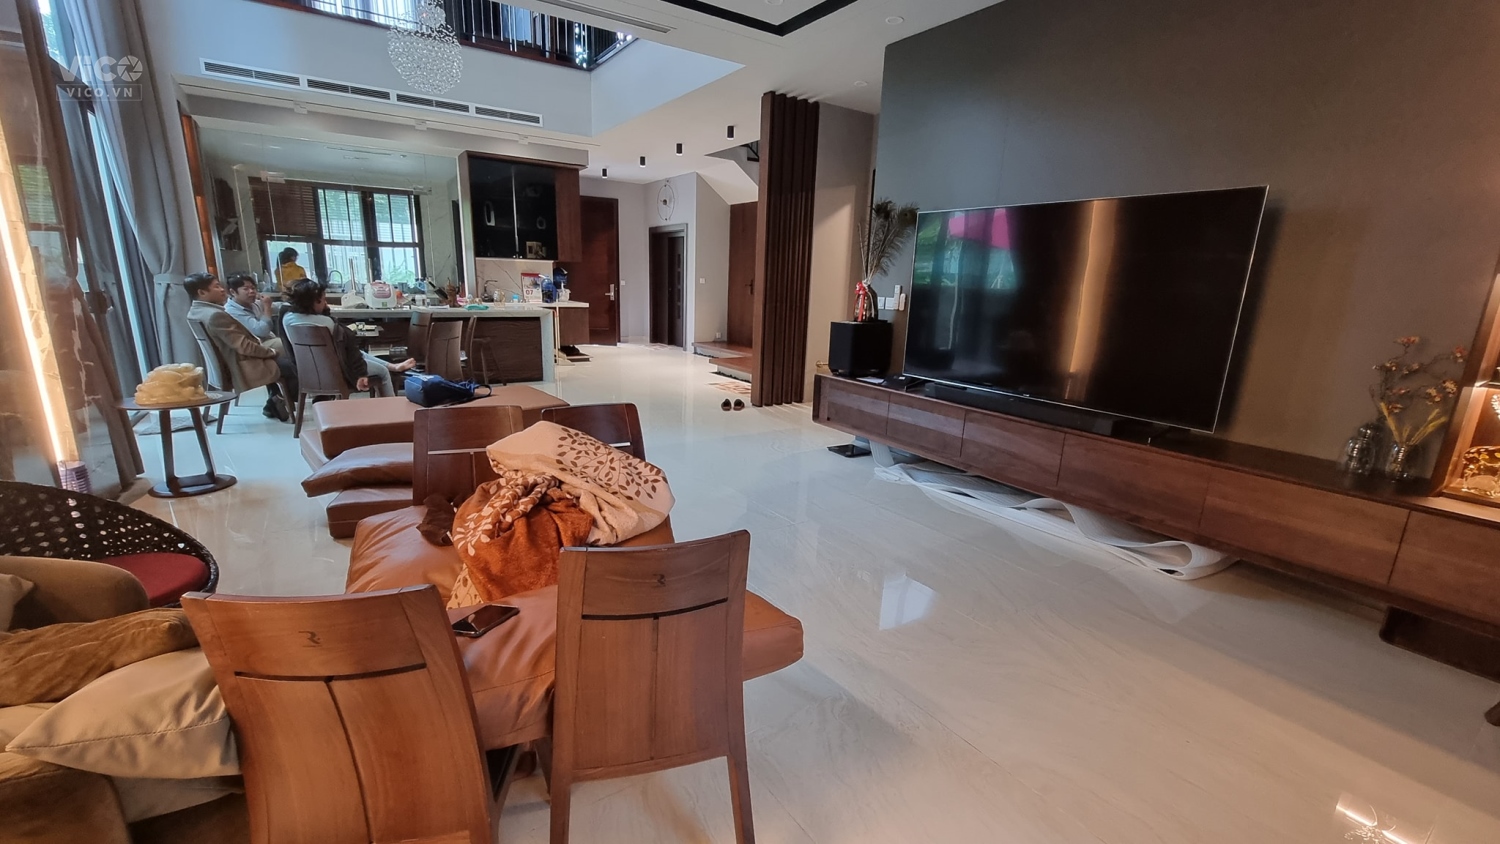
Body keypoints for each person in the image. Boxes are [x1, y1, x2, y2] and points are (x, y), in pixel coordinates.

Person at [184, 273, 295, 422]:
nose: (222, 289)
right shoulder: (215, 315)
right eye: (216, 286)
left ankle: (275, 401)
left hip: (234, 361)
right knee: (292, 365)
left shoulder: (195, 312)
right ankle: (280, 401)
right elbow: (244, 346)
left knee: (282, 360)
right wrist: (270, 352)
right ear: (202, 292)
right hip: (241, 366)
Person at [282, 279, 415, 398]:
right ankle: (392, 410)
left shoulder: (287, 319)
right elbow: (350, 347)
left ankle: (393, 366)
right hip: (337, 371)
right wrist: (361, 373)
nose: (325, 303)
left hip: (307, 372)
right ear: (313, 302)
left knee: (356, 352)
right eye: (323, 300)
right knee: (383, 372)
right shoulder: (327, 323)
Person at [223, 273, 281, 354]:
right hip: (255, 346)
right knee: (287, 344)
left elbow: (277, 306)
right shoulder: (231, 311)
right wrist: (267, 307)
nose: (251, 291)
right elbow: (262, 331)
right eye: (246, 289)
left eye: (253, 288)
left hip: (268, 340)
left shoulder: (253, 303)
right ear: (233, 292)